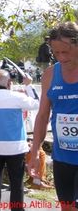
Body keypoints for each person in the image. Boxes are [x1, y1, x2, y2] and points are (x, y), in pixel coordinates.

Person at [28, 22, 78, 211]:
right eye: (56, 53)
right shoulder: (50, 74)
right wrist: (34, 153)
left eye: (65, 52)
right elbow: (42, 116)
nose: (61, 58)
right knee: (66, 207)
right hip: (62, 157)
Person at [0, 69, 39, 211]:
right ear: (9, 82)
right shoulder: (16, 97)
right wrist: (29, 85)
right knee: (16, 182)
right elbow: (37, 103)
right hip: (16, 147)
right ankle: (17, 209)